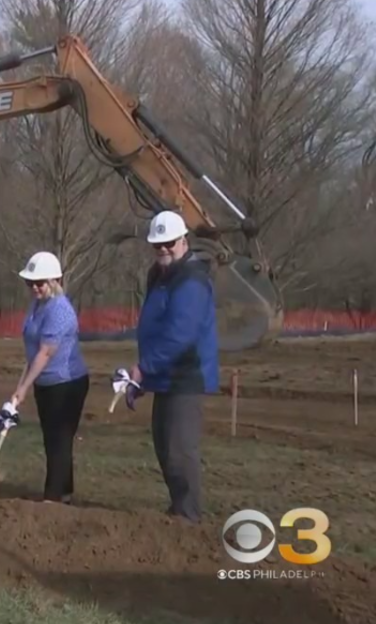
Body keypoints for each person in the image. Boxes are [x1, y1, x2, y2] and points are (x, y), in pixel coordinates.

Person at [130, 210, 219, 523]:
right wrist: (144, 376)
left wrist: (143, 369)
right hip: (165, 376)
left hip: (186, 375)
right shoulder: (160, 275)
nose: (163, 250)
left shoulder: (192, 281)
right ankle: (178, 509)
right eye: (158, 245)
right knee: (164, 447)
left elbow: (179, 335)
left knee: (180, 450)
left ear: (183, 240)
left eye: (169, 243)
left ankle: (189, 515)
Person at [13, 251, 89, 504]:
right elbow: (32, 352)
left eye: (40, 282)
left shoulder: (60, 310)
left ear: (55, 280)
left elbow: (45, 352)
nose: (34, 287)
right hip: (45, 382)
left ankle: (53, 497)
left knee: (60, 439)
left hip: (66, 383)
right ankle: (64, 491)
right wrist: (22, 384)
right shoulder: (37, 305)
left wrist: (24, 387)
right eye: (30, 283)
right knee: (52, 438)